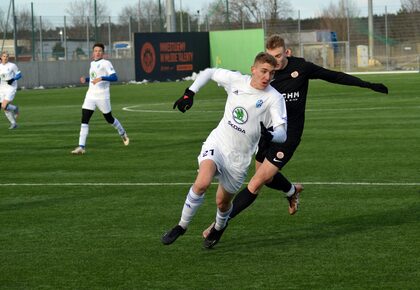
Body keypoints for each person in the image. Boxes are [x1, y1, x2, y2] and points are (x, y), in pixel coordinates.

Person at [203, 34, 389, 239]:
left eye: (279, 56)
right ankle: (292, 191)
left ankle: (218, 227)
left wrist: (367, 84)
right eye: (271, 57)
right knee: (269, 179)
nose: (276, 61)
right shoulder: (267, 77)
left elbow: (334, 76)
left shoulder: (301, 68)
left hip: (289, 136)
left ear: (287, 53)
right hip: (267, 134)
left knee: (255, 183)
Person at [161, 52, 288, 249]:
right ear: (253, 69)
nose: (267, 77)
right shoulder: (236, 80)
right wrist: (190, 92)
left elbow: (283, 133)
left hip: (239, 159)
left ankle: (219, 228)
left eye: (271, 73)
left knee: (222, 203)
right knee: (202, 182)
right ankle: (181, 226)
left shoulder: (274, 98)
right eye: (263, 71)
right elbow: (209, 72)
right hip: (218, 143)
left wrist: (271, 135)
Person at [71, 43, 129, 154]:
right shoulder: (92, 63)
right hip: (90, 96)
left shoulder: (106, 63)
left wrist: (102, 78)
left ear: (103, 53)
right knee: (84, 120)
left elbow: (114, 77)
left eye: (100, 51)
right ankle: (81, 147)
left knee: (109, 119)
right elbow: (94, 78)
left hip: (103, 96)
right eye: (95, 51)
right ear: (93, 53)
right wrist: (87, 79)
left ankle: (122, 132)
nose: (97, 53)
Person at [0, 51, 21, 129]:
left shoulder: (12, 65)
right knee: (5, 108)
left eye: (7, 56)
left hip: (11, 87)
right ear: (1, 57)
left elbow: (19, 75)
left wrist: (12, 79)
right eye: (4, 56)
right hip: (2, 88)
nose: (6, 58)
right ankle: (14, 123)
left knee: (4, 105)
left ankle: (15, 108)